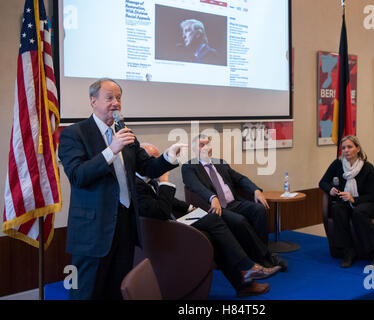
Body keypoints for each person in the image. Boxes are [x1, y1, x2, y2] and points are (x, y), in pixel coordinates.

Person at [58, 78, 185, 300]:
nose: (115, 103)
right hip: (93, 232)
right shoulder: (75, 133)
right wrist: (111, 150)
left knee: (118, 290)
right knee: (85, 292)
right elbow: (78, 176)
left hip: (125, 225)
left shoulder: (125, 134)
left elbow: (147, 167)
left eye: (118, 98)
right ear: (92, 101)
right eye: (109, 98)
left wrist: (167, 157)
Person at [136, 144, 281, 297]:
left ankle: (244, 284)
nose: (158, 162)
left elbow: (171, 201)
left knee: (215, 238)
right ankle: (248, 266)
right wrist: (164, 181)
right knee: (215, 221)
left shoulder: (148, 179)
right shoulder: (137, 183)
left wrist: (190, 207)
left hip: (175, 221)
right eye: (152, 158)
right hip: (162, 231)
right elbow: (161, 211)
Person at [182, 134, 288, 271]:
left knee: (259, 210)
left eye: (208, 144)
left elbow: (240, 179)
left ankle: (258, 255)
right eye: (202, 145)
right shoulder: (189, 167)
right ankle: (266, 257)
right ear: (194, 149)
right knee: (239, 221)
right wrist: (212, 197)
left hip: (234, 203)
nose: (206, 148)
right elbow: (195, 186)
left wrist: (255, 190)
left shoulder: (220, 163)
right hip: (216, 208)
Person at [319, 135, 374, 269]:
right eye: (343, 148)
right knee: (337, 209)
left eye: (350, 147)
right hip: (345, 202)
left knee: (358, 212)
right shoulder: (337, 164)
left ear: (358, 149)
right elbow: (322, 182)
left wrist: (354, 199)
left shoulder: (368, 168)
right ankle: (348, 251)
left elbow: (372, 196)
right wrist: (330, 189)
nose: (346, 150)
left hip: (367, 203)